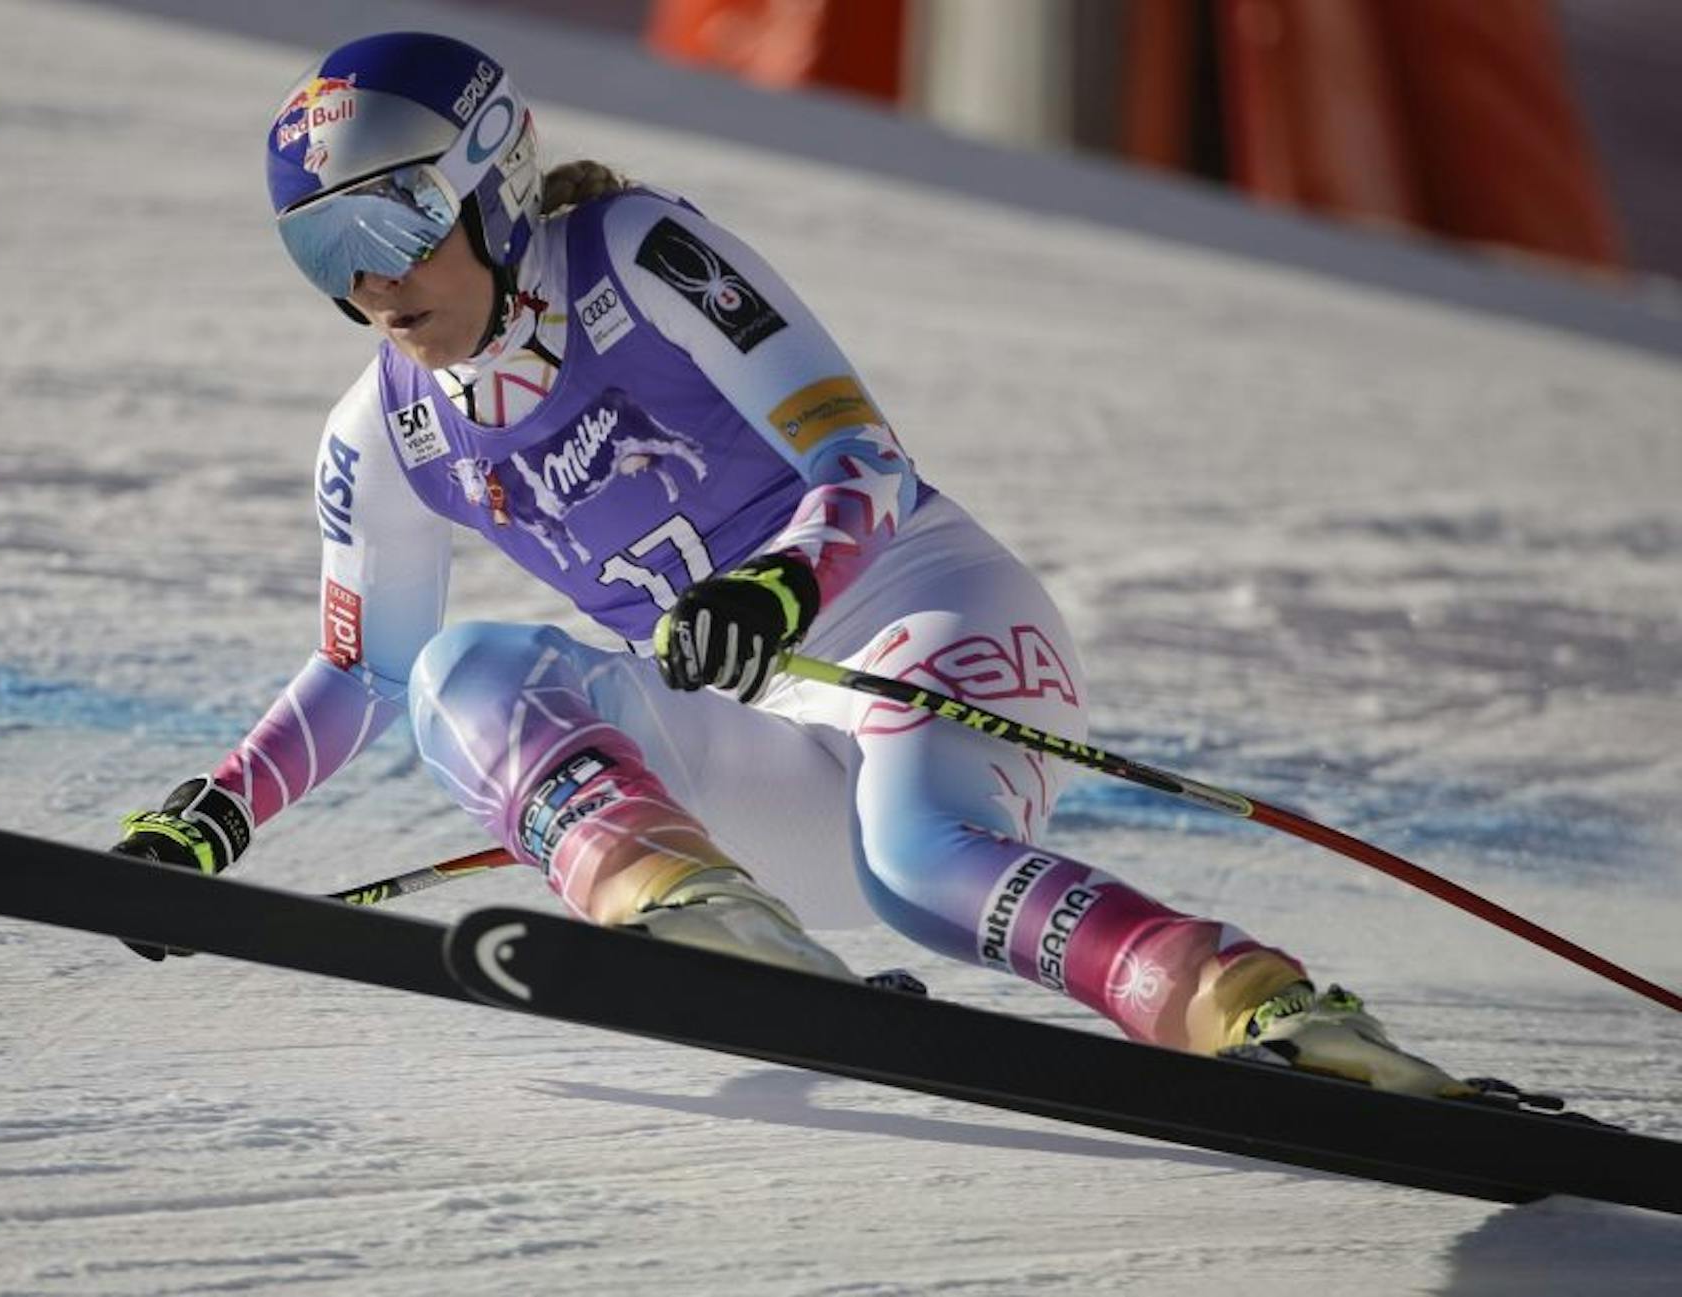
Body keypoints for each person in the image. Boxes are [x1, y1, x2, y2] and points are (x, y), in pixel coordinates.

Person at [113, 31, 1470, 1097]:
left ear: (492, 183)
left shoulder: (635, 254)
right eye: (322, 248)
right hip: (762, 743)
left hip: (923, 627)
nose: (370, 286)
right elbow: (364, 669)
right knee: (461, 672)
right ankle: (691, 912)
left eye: (395, 224)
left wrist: (780, 584)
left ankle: (1261, 1011)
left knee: (920, 862)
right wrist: (211, 816)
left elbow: (859, 458)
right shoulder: (385, 432)